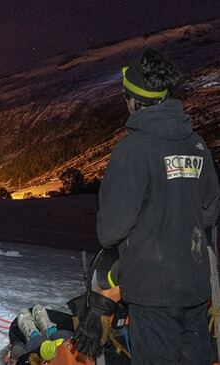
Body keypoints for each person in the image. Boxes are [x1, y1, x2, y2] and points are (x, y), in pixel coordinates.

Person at [73, 48, 220, 364]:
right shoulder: (196, 144)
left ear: (133, 101)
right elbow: (210, 210)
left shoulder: (132, 151)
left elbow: (110, 231)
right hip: (195, 285)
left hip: (153, 293)